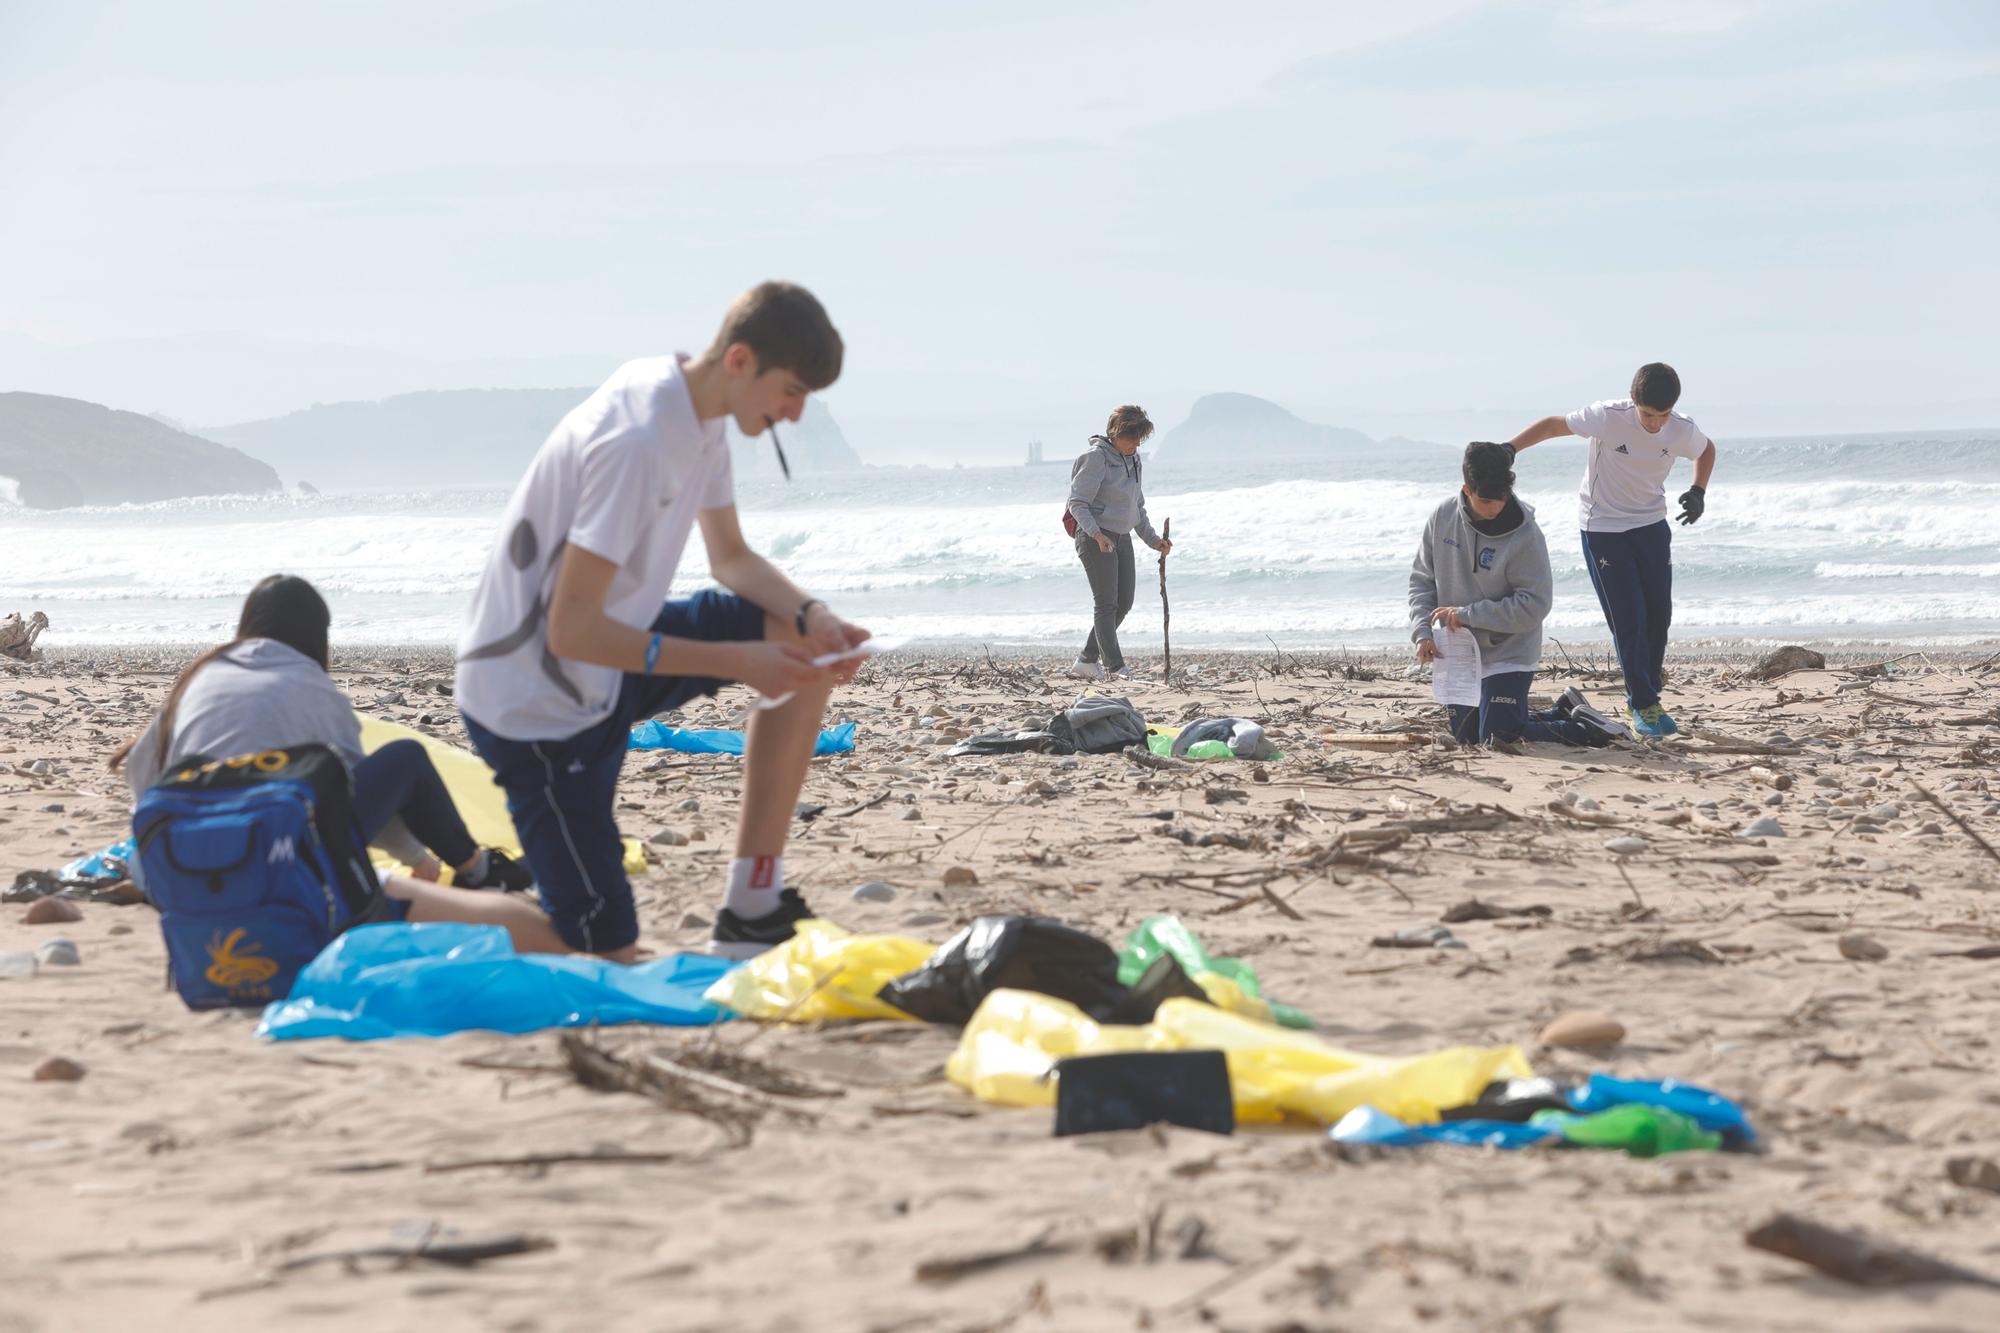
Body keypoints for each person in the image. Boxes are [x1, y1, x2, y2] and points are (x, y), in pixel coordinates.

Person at [454, 280, 867, 963]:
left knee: (802, 645)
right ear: (740, 361)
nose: (794, 413)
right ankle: (388, 900)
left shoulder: (698, 415)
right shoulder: (640, 442)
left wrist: (816, 617)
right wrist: (737, 662)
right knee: (599, 946)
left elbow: (731, 559)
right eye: (791, 390)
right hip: (536, 704)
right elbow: (570, 630)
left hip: (609, 659)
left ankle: (752, 907)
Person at [113, 574, 561, 950]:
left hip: (179, 867)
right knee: (405, 758)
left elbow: (142, 772)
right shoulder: (315, 688)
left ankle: (473, 870)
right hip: (280, 853)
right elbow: (343, 792)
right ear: (317, 636)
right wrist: (417, 857)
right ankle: (477, 871)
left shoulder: (202, 675)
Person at [1507, 363, 1717, 737]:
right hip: (1602, 527)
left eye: (1662, 416)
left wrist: (1699, 491)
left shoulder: (1681, 429)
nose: (1654, 424)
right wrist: (1509, 448)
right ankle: (1644, 704)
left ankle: (1647, 695)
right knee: (1629, 619)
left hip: (1651, 524)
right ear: (1634, 401)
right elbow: (1555, 424)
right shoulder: (1607, 417)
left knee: (1659, 617)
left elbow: (1707, 450)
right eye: (1648, 415)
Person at [1409, 443, 1624, 748]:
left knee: (1498, 737)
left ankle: (1586, 729)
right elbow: (1422, 580)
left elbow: (1535, 605)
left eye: (1501, 499)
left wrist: (1467, 614)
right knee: (1467, 738)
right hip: (1461, 655)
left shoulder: (1526, 535)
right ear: (1466, 490)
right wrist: (1422, 633)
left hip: (1509, 652)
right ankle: (1562, 710)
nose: (1495, 508)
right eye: (1485, 500)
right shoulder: (1443, 518)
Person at [1065, 405, 1172, 681]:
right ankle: (1115, 666)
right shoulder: (1095, 458)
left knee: (1124, 602)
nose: (1136, 444)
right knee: (1106, 603)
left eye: (1140, 438)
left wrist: (1153, 540)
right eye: (1131, 437)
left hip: (1121, 537)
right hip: (1094, 537)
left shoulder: (1134, 459)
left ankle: (1086, 660)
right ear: (1115, 432)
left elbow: (1136, 506)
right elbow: (1077, 503)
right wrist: (1096, 534)